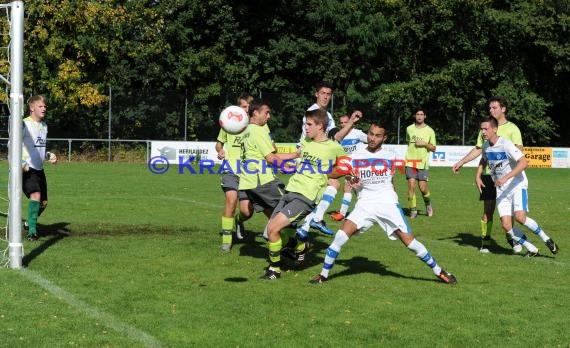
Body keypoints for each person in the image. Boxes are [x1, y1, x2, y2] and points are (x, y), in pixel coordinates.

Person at [310, 123, 457, 284]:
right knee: (340, 237)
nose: (372, 138)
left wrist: (393, 199)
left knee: (410, 242)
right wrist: (348, 175)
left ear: (384, 138)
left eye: (377, 135)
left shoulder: (390, 155)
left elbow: (391, 180)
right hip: (364, 204)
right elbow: (333, 172)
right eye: (370, 134)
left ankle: (439, 271)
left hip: (387, 203)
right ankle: (323, 275)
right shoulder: (355, 156)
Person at [263, 108, 347, 280]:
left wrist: (328, 174)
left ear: (320, 126)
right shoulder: (306, 142)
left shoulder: (334, 147)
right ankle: (301, 246)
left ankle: (274, 270)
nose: (306, 128)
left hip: (307, 196)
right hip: (290, 190)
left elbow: (346, 167)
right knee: (268, 234)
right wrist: (268, 155)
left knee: (273, 229)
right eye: (305, 124)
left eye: (309, 124)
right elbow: (293, 155)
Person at [476, 117, 558, 257]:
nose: (483, 132)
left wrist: (506, 177)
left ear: (494, 129)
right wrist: (478, 175)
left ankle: (547, 239)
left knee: (520, 217)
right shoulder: (485, 146)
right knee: (506, 226)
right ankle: (532, 249)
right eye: (481, 129)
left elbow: (524, 162)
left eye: (486, 129)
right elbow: (484, 160)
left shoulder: (506, 144)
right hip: (501, 189)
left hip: (516, 184)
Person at [453, 96, 523, 254]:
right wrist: (466, 165)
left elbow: (520, 153)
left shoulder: (513, 129)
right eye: (490, 108)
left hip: (508, 178)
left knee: (508, 213)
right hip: (489, 176)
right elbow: (480, 150)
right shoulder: (486, 128)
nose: (491, 110)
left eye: (494, 108)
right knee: (488, 210)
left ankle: (511, 238)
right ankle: (485, 241)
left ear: (503, 109)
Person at [238, 99, 299, 242]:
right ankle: (292, 244)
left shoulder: (246, 131)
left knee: (274, 215)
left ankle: (282, 247)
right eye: (266, 113)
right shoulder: (258, 131)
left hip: (249, 183)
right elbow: (271, 158)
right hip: (262, 181)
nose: (269, 116)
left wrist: (290, 162)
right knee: (289, 210)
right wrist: (290, 168)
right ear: (255, 113)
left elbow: (266, 156)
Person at [215, 93, 254, 252]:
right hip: (230, 169)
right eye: (244, 106)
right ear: (238, 108)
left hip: (248, 173)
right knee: (231, 200)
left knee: (246, 210)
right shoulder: (229, 124)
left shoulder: (257, 126)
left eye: (249, 107)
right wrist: (221, 151)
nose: (247, 109)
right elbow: (218, 144)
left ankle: (239, 221)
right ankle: (226, 240)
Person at [22, 95, 58, 241]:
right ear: (32, 108)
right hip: (26, 168)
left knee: (43, 203)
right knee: (35, 194)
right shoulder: (24, 124)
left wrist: (49, 155)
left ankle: (27, 223)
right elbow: (12, 145)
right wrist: (20, 163)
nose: (44, 109)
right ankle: (32, 232)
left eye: (45, 106)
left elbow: (40, 149)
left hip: (39, 169)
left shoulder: (44, 126)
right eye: (40, 106)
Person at [329, 113, 368, 221]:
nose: (343, 125)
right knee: (353, 189)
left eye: (345, 122)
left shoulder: (357, 133)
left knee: (352, 189)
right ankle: (345, 213)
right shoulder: (340, 136)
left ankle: (343, 213)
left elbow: (372, 142)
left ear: (351, 122)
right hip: (347, 166)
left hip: (358, 166)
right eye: (341, 123)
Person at [404, 107, 436, 219]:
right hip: (410, 162)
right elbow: (408, 142)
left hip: (423, 163)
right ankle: (413, 210)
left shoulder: (430, 131)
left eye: (421, 114)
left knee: (423, 188)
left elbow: (433, 148)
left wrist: (424, 144)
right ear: (414, 116)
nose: (419, 116)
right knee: (411, 186)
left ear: (425, 116)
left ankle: (428, 204)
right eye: (417, 114)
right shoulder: (409, 129)